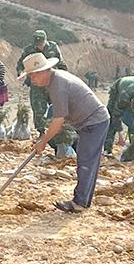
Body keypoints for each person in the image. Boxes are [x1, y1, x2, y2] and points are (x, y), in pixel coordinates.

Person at [21, 52, 110, 213]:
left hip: (94, 121)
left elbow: (59, 121)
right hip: (88, 122)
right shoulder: (55, 80)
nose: (32, 80)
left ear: (42, 72)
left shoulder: (58, 85)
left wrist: (43, 141)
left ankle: (79, 203)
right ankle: (83, 201)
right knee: (87, 161)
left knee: (86, 162)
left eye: (33, 76)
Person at [16, 30, 62, 135]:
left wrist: (62, 79)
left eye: (41, 44)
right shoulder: (29, 50)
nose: (40, 47)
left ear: (46, 40)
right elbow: (20, 65)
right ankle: (41, 133)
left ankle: (58, 132)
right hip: (36, 85)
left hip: (52, 84)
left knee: (58, 107)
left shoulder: (53, 47)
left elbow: (61, 64)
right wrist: (20, 74)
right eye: (38, 45)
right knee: (38, 110)